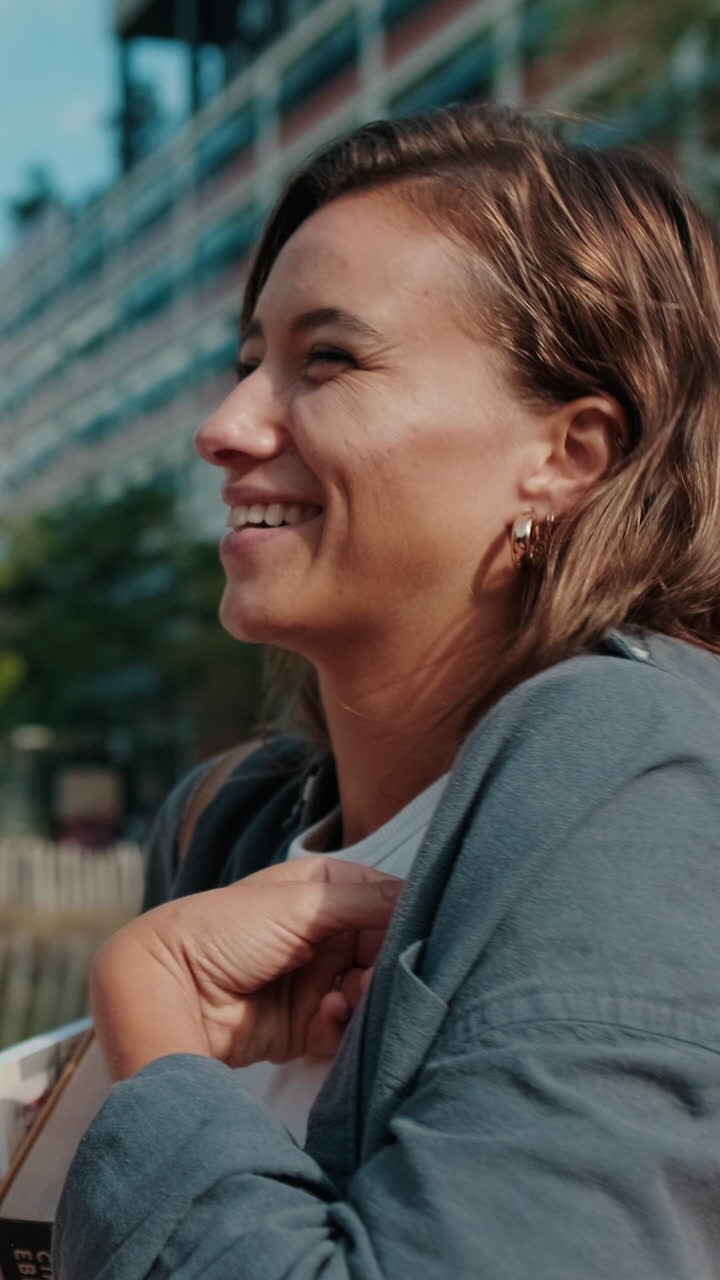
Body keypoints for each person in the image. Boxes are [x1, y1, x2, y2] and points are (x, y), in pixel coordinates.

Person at [56, 103, 720, 1277]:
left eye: (329, 358)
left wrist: (153, 1030)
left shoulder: (642, 770)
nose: (224, 425)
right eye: (248, 358)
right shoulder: (229, 821)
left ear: (570, 454)